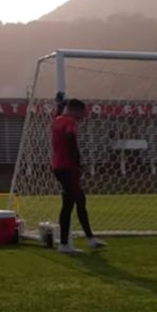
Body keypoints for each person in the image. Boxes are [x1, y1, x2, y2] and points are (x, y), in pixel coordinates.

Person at [50, 98, 106, 254]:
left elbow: (59, 127)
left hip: (58, 166)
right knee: (72, 203)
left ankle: (89, 239)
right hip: (68, 167)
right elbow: (70, 138)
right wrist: (78, 160)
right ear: (75, 110)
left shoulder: (57, 120)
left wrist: (59, 106)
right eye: (82, 111)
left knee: (77, 200)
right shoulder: (70, 122)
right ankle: (66, 244)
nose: (84, 115)